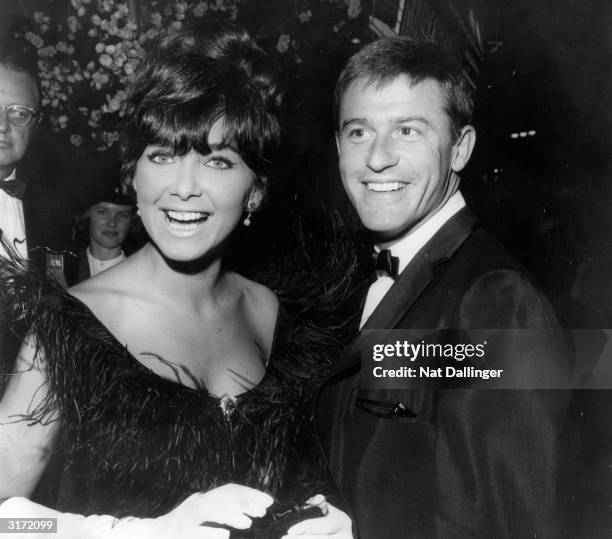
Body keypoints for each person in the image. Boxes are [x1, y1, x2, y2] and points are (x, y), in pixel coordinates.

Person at [0, 27, 351, 538]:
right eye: (162, 156)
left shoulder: (277, 314)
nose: (184, 188)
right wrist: (130, 533)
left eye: (218, 161)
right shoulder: (69, 326)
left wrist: (326, 516)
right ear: (133, 176)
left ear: (255, 192)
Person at [315, 37, 572, 538]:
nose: (377, 158)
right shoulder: (354, 276)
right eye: (359, 131)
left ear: (460, 148)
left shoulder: (496, 299)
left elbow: (509, 524)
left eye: (408, 130)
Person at [0, 40, 73, 388]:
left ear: (35, 123)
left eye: (18, 112)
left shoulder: (51, 206)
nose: (2, 125)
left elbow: (59, 294)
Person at [66, 174, 136, 285]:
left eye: (122, 215)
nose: (112, 223)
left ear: (131, 221)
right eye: (102, 212)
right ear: (87, 216)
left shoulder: (141, 271)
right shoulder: (66, 270)